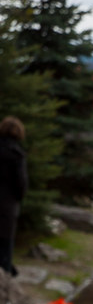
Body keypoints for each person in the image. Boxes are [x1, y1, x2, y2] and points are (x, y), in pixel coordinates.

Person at [0, 116, 29, 277]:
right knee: (5, 243)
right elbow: (21, 182)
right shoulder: (16, 155)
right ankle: (5, 279)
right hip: (7, 204)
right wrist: (19, 197)